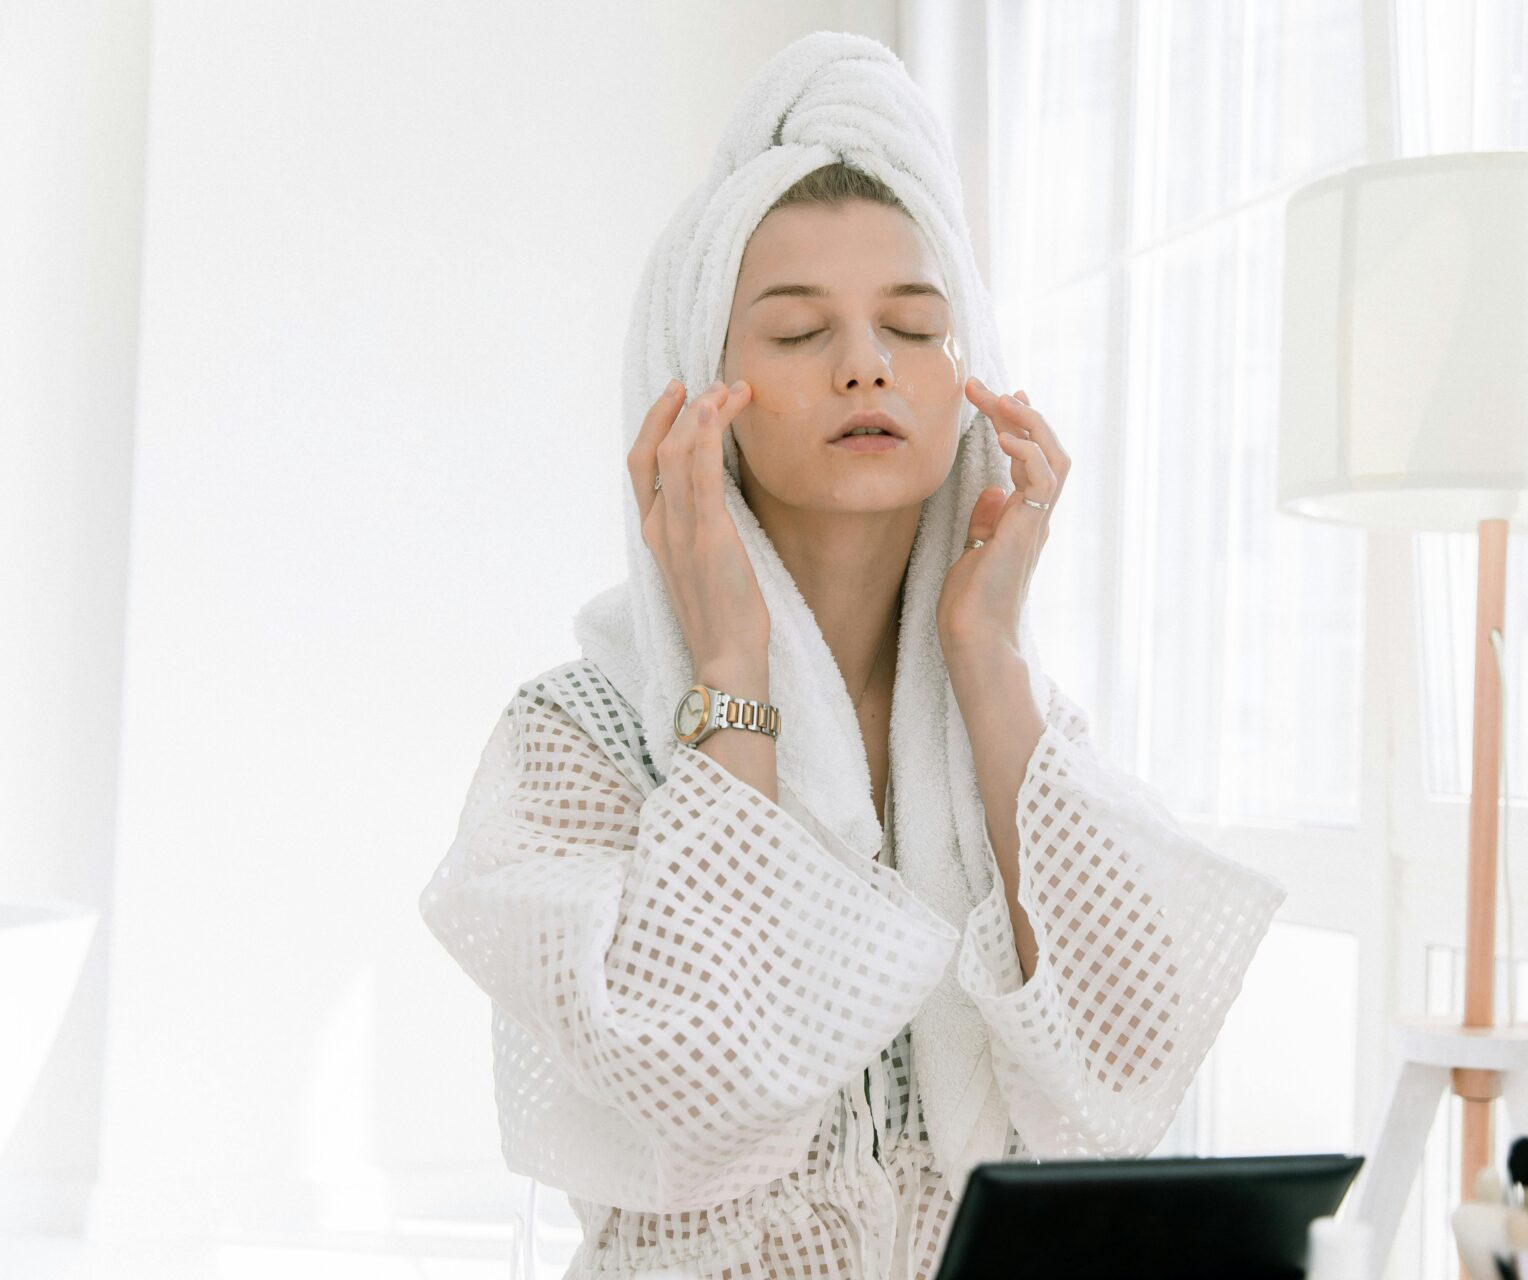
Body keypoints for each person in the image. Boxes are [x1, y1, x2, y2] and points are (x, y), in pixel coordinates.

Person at [418, 32, 1289, 1280]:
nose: (866, 360)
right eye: (796, 330)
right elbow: (704, 1082)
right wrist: (732, 662)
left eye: (914, 324)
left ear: (969, 377)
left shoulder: (1019, 728)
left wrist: (985, 654)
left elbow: (1120, 1080)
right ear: (694, 391)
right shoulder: (581, 738)